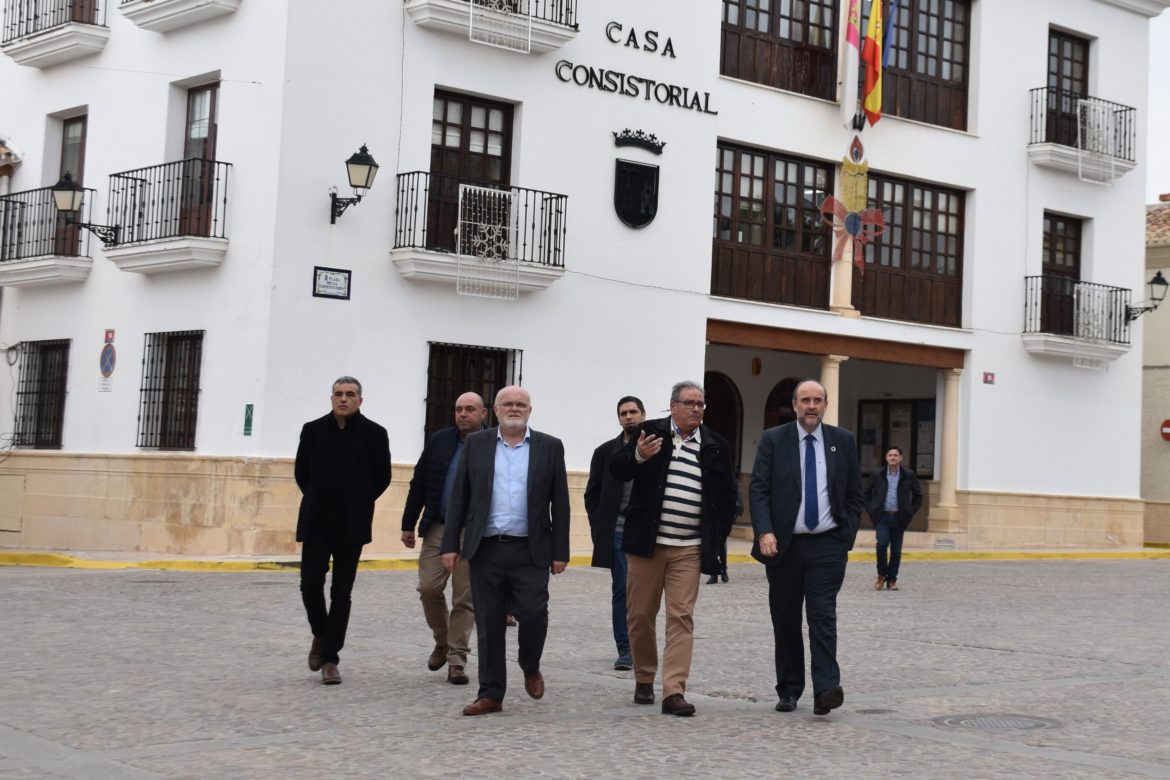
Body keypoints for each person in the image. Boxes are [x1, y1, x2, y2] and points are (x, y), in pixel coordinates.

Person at [610, 380, 738, 717]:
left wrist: (717, 534)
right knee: (639, 616)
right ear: (673, 406)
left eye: (701, 404)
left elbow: (728, 496)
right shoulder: (649, 432)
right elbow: (617, 468)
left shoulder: (715, 445)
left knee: (681, 617)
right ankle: (644, 676)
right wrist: (639, 455)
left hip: (688, 549)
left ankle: (673, 691)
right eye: (690, 403)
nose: (697, 409)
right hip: (647, 546)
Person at [440, 386, 570, 716]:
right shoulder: (477, 444)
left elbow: (561, 501)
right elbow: (459, 497)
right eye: (507, 404)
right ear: (495, 410)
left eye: (520, 404)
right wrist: (450, 544)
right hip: (486, 548)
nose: (514, 408)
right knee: (489, 622)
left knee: (534, 614)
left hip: (531, 549)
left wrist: (561, 550)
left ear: (530, 410)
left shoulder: (550, 446)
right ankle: (491, 694)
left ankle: (530, 664)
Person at [749, 379, 863, 716]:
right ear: (795, 405)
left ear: (825, 405)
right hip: (783, 547)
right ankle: (789, 689)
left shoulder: (842, 441)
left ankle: (826, 689)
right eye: (805, 400)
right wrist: (764, 531)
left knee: (822, 616)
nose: (811, 406)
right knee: (786, 619)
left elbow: (854, 494)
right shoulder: (774, 439)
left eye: (817, 400)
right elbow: (759, 489)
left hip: (827, 546)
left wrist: (845, 538)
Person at [295, 376, 391, 685]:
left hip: (352, 525)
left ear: (360, 400)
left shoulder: (375, 434)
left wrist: (358, 500)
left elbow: (382, 477)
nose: (343, 399)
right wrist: (318, 498)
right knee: (310, 584)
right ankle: (321, 634)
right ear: (332, 398)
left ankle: (330, 659)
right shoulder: (313, 430)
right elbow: (301, 473)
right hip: (317, 523)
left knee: (341, 592)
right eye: (338, 394)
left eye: (350, 394)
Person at [400, 392, 488, 685]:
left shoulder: (493, 444)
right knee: (428, 588)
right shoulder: (439, 441)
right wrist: (408, 523)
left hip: (472, 531)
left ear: (483, 414)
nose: (463, 414)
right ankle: (442, 640)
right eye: (459, 409)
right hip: (438, 527)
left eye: (470, 409)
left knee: (465, 598)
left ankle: (457, 660)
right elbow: (419, 482)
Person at [584, 395, 645, 671]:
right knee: (622, 590)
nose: (629, 417)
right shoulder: (605, 452)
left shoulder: (656, 448)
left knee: (645, 594)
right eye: (623, 413)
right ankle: (625, 648)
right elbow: (592, 494)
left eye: (633, 412)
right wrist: (600, 527)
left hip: (646, 532)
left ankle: (643, 645)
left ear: (643, 414)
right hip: (618, 532)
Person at [865, 445, 923, 591]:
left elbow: (918, 495)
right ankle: (881, 575)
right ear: (886, 458)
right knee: (882, 545)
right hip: (882, 517)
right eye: (890, 455)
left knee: (896, 550)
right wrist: (872, 509)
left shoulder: (908, 475)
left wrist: (910, 511)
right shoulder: (877, 474)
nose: (893, 457)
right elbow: (866, 494)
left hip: (899, 517)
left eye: (895, 455)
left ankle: (892, 580)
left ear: (900, 458)